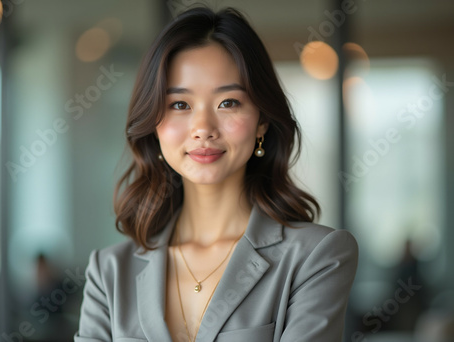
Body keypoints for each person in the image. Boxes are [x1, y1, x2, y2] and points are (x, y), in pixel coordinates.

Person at [74, 6, 358, 342]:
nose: (203, 129)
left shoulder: (316, 256)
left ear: (261, 121)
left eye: (228, 102)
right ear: (153, 124)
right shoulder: (109, 272)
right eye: (180, 104)